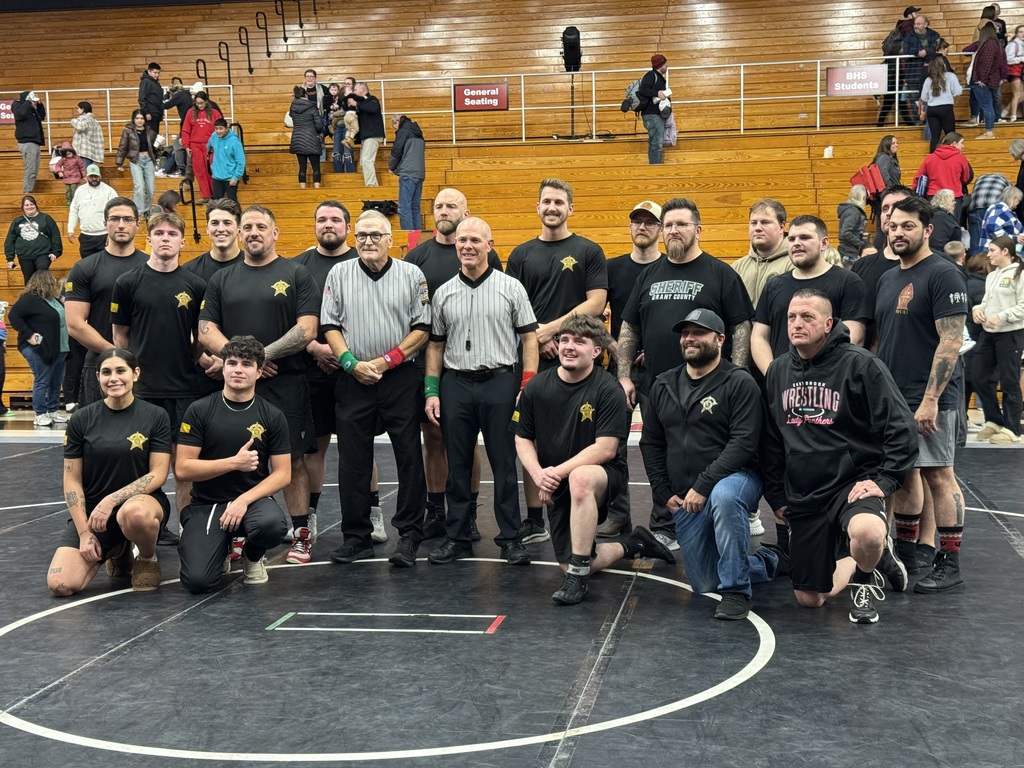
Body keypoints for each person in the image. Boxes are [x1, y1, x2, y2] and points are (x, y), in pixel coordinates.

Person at [764, 290, 917, 623]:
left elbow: (901, 425)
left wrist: (886, 479)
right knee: (809, 599)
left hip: (852, 484)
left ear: (828, 323)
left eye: (807, 317)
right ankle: (871, 559)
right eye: (791, 317)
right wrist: (776, 493)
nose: (796, 324)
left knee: (868, 532)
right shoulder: (777, 371)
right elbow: (772, 440)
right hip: (805, 491)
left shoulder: (861, 365)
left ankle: (865, 577)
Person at [618, 197, 754, 547]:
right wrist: (622, 376)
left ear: (698, 229)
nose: (673, 230)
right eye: (669, 225)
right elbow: (629, 327)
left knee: (708, 452)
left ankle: (714, 517)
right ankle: (665, 523)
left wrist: (735, 375)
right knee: (664, 451)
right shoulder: (649, 274)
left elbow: (740, 326)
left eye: (681, 224)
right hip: (658, 387)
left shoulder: (720, 273)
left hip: (711, 387)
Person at [514, 313, 675, 606]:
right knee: (571, 561)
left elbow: (606, 449)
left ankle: (578, 577)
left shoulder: (608, 388)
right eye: (564, 340)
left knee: (581, 477)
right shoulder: (537, 387)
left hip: (602, 475)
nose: (569, 347)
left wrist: (554, 474)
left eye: (579, 341)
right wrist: (539, 475)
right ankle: (633, 543)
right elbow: (522, 437)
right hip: (556, 478)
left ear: (597, 351)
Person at [640, 308, 779, 620]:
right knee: (703, 581)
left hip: (738, 477)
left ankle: (736, 591)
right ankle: (767, 561)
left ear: (720, 340)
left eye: (699, 332)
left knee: (724, 496)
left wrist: (704, 485)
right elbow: (651, 443)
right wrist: (663, 491)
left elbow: (743, 443)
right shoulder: (664, 385)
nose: (690, 338)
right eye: (686, 333)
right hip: (687, 494)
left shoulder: (739, 382)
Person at [198, 205, 319, 564]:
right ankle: (238, 534)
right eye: (247, 226)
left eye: (261, 226)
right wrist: (243, 363)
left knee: (293, 461)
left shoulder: (297, 274)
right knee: (239, 460)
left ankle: (300, 535)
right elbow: (206, 330)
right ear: (239, 233)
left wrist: (255, 359)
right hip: (235, 389)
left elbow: (307, 329)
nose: (253, 232)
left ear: (275, 232)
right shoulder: (222, 279)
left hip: (286, 384)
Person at [424, 217, 538, 565]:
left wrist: (527, 384)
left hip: (500, 382)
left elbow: (530, 338)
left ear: (490, 245)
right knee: (457, 464)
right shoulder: (443, 292)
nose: (467, 246)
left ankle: (511, 538)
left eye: (475, 239)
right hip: (456, 384)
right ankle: (457, 537)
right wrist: (432, 390)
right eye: (462, 240)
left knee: (504, 463)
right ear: (455, 245)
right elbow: (435, 347)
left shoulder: (511, 287)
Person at [321, 210, 430, 567]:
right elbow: (330, 326)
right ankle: (356, 537)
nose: (368, 241)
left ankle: (410, 535)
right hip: (354, 376)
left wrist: (386, 361)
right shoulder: (338, 273)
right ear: (355, 239)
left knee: (409, 456)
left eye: (376, 235)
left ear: (389, 238)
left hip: (399, 376)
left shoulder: (412, 274)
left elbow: (423, 328)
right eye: (363, 235)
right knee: (352, 459)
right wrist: (351, 363)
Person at [506, 179, 608, 543]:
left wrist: (549, 333)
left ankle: (587, 509)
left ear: (570, 208)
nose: (552, 207)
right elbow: (511, 308)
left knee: (583, 435)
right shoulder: (520, 254)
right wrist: (536, 341)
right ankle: (535, 519)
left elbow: (595, 303)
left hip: (577, 358)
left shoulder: (588, 250)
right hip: (534, 361)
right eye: (546, 201)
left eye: (559, 202)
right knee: (531, 436)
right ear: (537, 207)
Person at [875, 195, 969, 591]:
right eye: (894, 226)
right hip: (894, 398)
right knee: (904, 475)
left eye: (908, 226)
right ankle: (909, 553)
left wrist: (930, 399)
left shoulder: (943, 273)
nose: (898, 232)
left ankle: (950, 563)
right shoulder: (887, 277)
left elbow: (950, 342)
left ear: (927, 230)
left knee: (938, 475)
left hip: (930, 398)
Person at [404, 188, 504, 541]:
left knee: (466, 442)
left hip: (472, 365)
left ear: (466, 211)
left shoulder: (485, 254)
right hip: (428, 361)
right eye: (439, 206)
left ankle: (470, 513)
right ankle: (435, 511)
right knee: (433, 437)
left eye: (452, 205)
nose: (444, 211)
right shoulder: (416, 258)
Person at [45, 347, 171, 597]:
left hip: (141, 504)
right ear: (98, 378)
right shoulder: (81, 419)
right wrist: (84, 533)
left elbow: (159, 473)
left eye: (121, 371)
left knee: (134, 513)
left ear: (135, 374)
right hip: (94, 515)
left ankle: (146, 558)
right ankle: (116, 549)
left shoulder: (156, 416)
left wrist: (112, 499)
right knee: (61, 585)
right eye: (106, 372)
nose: (114, 378)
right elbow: (71, 480)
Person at [112, 211, 206, 539]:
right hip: (144, 391)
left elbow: (200, 337)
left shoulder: (196, 285)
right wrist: (129, 379)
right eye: (159, 233)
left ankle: (188, 530)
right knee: (142, 467)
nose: (166, 238)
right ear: (148, 238)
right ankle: (147, 528)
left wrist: (188, 361)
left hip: (183, 389)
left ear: (182, 241)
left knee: (184, 467)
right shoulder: (127, 283)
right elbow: (120, 337)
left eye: (172, 234)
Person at [175, 336, 291, 592]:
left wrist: (243, 500)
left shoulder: (273, 415)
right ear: (223, 368)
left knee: (271, 526)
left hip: (253, 501)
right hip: (208, 503)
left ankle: (252, 555)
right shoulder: (199, 410)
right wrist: (234, 463)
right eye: (232, 363)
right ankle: (221, 549)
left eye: (247, 364)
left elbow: (283, 475)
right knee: (198, 582)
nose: (238, 369)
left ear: (259, 372)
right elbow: (183, 469)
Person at [291, 201, 363, 547]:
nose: (328, 224)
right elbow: (292, 321)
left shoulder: (362, 260)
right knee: (312, 448)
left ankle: (372, 514)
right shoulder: (299, 267)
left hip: (355, 369)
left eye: (335, 219)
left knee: (359, 444)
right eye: (322, 219)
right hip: (312, 369)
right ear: (314, 225)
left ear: (347, 227)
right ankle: (312, 514)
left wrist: (347, 355)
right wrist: (315, 348)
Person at [599, 200, 663, 537]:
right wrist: (617, 349)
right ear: (629, 227)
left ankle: (664, 518)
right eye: (637, 221)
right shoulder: (612, 268)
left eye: (650, 223)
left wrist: (651, 350)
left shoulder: (668, 268)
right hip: (618, 371)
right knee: (613, 444)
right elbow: (596, 315)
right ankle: (618, 513)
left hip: (659, 371)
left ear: (661, 229)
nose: (642, 227)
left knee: (659, 443)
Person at [752, 215, 868, 375]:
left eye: (805, 237)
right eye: (791, 239)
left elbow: (854, 337)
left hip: (830, 383)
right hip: (784, 387)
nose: (796, 243)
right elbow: (759, 337)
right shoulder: (774, 285)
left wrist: (824, 375)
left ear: (824, 243)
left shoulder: (848, 281)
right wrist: (774, 375)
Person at [64, 198, 149, 408]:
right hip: (100, 363)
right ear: (105, 224)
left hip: (146, 365)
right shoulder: (85, 268)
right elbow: (75, 324)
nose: (121, 224)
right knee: (94, 435)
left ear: (138, 224)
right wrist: (115, 354)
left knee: (144, 436)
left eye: (128, 219)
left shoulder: (152, 266)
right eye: (115, 219)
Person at [184, 199, 243, 397]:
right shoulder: (188, 271)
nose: (221, 229)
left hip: (247, 369)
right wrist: (203, 357)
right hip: (204, 369)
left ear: (238, 229)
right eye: (215, 223)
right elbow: (183, 322)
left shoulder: (254, 266)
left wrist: (231, 361)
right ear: (207, 228)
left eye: (227, 223)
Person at [971, 235, 1024, 443]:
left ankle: (1012, 429)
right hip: (989, 333)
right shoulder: (992, 275)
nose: (989, 254)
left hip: (1010, 333)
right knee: (979, 376)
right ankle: (994, 420)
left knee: (1009, 380)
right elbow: (985, 301)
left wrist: (1001, 316)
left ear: (1005, 252)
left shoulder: (1019, 274)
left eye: (992, 250)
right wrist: (978, 310)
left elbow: (1022, 306)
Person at [8, 271, 69, 427]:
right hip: (40, 348)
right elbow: (13, 316)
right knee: (42, 380)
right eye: (52, 281)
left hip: (60, 347)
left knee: (56, 381)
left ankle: (52, 410)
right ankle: (40, 413)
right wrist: (29, 334)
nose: (55, 283)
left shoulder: (53, 300)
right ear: (45, 282)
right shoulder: (30, 300)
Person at [731, 199, 794, 307]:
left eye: (765, 222)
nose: (758, 228)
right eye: (753, 223)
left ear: (782, 227)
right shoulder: (737, 267)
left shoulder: (794, 263)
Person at [913, 132, 972, 218]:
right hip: (954, 196)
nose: (963, 146)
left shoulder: (930, 158)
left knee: (934, 225)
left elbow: (918, 178)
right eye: (961, 143)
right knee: (953, 225)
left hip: (933, 195)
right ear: (954, 144)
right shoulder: (961, 158)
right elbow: (965, 178)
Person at [5, 196, 62, 282]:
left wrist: (55, 252)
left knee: (42, 278)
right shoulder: (17, 221)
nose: (29, 207)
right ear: (23, 207)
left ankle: (43, 295)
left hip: (43, 254)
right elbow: (10, 240)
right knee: (29, 280)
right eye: (26, 205)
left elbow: (55, 236)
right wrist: (10, 258)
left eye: (31, 204)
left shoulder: (46, 218)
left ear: (35, 205)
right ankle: (30, 295)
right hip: (24, 256)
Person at [181, 92, 223, 202]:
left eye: (202, 103)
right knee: (199, 171)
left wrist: (218, 145)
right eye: (197, 103)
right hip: (195, 145)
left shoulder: (214, 113)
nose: (200, 105)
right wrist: (186, 146)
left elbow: (220, 129)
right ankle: (205, 196)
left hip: (210, 145)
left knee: (212, 170)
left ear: (207, 101)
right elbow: (185, 130)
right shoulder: (190, 112)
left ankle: (216, 195)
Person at [115, 110, 158, 218]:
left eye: (141, 118)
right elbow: (122, 146)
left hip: (148, 160)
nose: (139, 121)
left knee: (151, 188)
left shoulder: (150, 131)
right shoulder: (128, 131)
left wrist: (159, 145)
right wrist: (119, 162)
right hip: (136, 160)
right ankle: (138, 212)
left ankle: (147, 210)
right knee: (139, 186)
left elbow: (154, 149)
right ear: (133, 119)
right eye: (137, 118)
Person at [388, 114, 426, 230]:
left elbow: (396, 150)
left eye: (394, 126)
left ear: (397, 122)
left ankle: (408, 237)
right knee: (414, 207)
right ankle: (417, 238)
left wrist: (391, 166)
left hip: (408, 173)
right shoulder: (418, 132)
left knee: (404, 208)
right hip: (419, 173)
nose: (395, 129)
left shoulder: (403, 131)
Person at [970, 24, 1007, 139]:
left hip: (983, 81)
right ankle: (989, 131)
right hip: (989, 80)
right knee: (987, 105)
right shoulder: (995, 44)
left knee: (987, 107)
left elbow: (986, 64)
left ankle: (989, 132)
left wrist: (981, 79)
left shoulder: (989, 45)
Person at [920, 56, 963, 151]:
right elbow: (957, 92)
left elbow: (923, 98)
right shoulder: (950, 76)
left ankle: (933, 158)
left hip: (932, 109)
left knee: (935, 137)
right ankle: (952, 157)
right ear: (943, 65)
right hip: (946, 108)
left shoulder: (928, 80)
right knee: (951, 135)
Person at [347, 82, 385, 187]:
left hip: (372, 135)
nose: (354, 92)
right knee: (363, 162)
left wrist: (357, 104)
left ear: (362, 90)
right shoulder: (363, 102)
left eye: (355, 90)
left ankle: (372, 185)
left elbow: (372, 108)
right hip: (367, 136)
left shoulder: (372, 99)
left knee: (367, 160)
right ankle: (372, 184)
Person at [288, 85, 323, 189]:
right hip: (311, 138)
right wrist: (319, 132)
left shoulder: (293, 107)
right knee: (316, 167)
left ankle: (302, 190)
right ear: (306, 95)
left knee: (302, 167)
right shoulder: (312, 107)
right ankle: (317, 189)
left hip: (298, 139)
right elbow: (319, 125)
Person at [967, 171, 1011, 252]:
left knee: (976, 241)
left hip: (976, 208)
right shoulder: (1005, 181)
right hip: (994, 209)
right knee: (995, 238)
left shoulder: (980, 178)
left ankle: (975, 262)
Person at [870, 137, 902, 249]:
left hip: (885, 196)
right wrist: (890, 192)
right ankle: (878, 253)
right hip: (885, 197)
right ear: (887, 144)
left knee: (884, 226)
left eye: (897, 142)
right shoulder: (884, 157)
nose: (896, 145)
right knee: (882, 228)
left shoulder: (889, 158)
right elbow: (883, 174)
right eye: (893, 143)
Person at [639, 54, 669, 164]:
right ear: (660, 65)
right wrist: (657, 93)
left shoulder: (657, 77)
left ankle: (654, 167)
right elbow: (642, 90)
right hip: (652, 115)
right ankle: (655, 169)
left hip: (655, 115)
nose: (667, 66)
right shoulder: (651, 75)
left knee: (655, 142)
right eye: (665, 64)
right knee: (657, 143)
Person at [13, 90, 45, 193]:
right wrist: (28, 102)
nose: (34, 103)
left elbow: (42, 116)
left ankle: (29, 191)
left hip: (35, 142)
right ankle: (27, 193)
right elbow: (20, 114)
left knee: (34, 170)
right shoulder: (17, 105)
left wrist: (39, 103)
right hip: (27, 142)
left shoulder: (32, 109)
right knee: (30, 170)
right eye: (33, 101)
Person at [207, 118, 245, 202]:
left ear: (226, 129)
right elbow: (209, 145)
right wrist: (209, 150)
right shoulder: (214, 136)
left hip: (230, 178)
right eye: (216, 128)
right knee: (216, 203)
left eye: (221, 128)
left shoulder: (235, 142)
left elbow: (241, 162)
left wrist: (235, 177)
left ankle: (237, 215)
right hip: (217, 176)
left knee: (232, 202)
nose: (218, 131)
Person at [837, 186, 868, 265]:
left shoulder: (851, 210)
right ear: (863, 197)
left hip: (849, 252)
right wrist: (861, 243)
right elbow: (845, 232)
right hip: (849, 254)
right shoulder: (853, 212)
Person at [70, 101, 104, 167]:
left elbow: (80, 127)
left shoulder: (87, 119)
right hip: (87, 150)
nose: (77, 110)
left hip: (85, 150)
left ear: (83, 109)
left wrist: (73, 120)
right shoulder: (93, 120)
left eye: (78, 108)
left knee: (85, 172)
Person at [54, 141, 88, 207]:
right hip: (66, 178)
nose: (68, 156)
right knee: (67, 191)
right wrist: (59, 172)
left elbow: (82, 167)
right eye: (67, 154)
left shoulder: (77, 158)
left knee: (74, 190)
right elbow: (57, 165)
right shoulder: (63, 159)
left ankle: (74, 201)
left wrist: (84, 175)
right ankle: (68, 201)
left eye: (69, 154)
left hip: (75, 177)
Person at [138, 62, 163, 135]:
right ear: (149, 71)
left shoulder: (156, 83)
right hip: (151, 112)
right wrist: (146, 112)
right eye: (154, 73)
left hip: (156, 112)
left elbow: (158, 98)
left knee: (154, 134)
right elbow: (142, 98)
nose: (157, 75)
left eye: (158, 73)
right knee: (151, 135)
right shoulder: (146, 81)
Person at [1005, 25, 1024, 121]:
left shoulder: (1021, 44)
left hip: (1019, 71)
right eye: (1020, 32)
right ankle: (1013, 116)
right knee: (1017, 94)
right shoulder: (1013, 44)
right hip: (1013, 71)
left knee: (1022, 95)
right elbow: (1008, 59)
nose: (1023, 34)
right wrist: (1021, 59)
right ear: (1016, 34)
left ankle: (1006, 112)